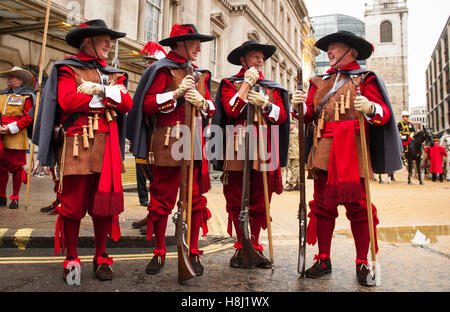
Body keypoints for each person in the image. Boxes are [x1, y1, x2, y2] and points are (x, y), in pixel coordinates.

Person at [291, 31, 402, 286]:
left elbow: (383, 114)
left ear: (348, 50)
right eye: (327, 49)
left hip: (353, 149)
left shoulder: (366, 80)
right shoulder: (318, 82)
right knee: (322, 206)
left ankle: (362, 262)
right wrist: (298, 106)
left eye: (333, 47)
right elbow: (308, 115)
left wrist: (371, 108)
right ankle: (323, 258)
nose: (328, 52)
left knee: (359, 208)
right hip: (322, 150)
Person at [32, 19, 133, 282]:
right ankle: (72, 258)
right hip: (78, 144)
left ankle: (101, 258)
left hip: (108, 148)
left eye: (109, 40)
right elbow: (68, 100)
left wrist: (100, 90)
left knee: (104, 207)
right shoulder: (67, 68)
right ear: (86, 42)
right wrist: (109, 96)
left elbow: (127, 103)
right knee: (72, 206)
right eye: (103, 40)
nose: (109, 45)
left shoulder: (113, 73)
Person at [127, 24, 215, 276]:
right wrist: (175, 94)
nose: (198, 47)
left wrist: (204, 103)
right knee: (161, 201)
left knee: (195, 201)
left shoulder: (200, 74)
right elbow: (146, 105)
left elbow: (210, 108)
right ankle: (159, 251)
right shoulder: (161, 69)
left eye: (199, 43)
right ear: (178, 44)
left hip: (193, 141)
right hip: (167, 141)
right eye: (193, 43)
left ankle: (194, 251)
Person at [212, 40, 290, 268]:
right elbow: (231, 110)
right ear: (243, 60)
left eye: (261, 57)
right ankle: (241, 246)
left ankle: (255, 245)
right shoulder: (229, 84)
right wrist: (245, 86)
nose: (260, 61)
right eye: (255, 57)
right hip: (237, 145)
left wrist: (266, 104)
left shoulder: (272, 87)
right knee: (236, 198)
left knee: (259, 200)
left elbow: (282, 117)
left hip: (265, 147)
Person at [131, 41, 168, 234]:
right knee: (150, 178)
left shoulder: (163, 76)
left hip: (163, 138)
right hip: (149, 134)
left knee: (159, 182)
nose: (147, 64)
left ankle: (156, 219)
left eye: (151, 61)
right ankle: (151, 214)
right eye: (147, 61)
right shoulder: (150, 77)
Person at [0, 66, 35, 209]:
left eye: (12, 77)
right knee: (0, 168)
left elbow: (28, 117)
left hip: (17, 135)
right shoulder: (1, 95)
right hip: (0, 133)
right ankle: (1, 196)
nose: (9, 79)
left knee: (16, 168)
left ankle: (15, 197)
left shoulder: (27, 97)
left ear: (20, 81)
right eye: (9, 76)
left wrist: (11, 128)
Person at [284, 119, 299, 191]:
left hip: (296, 153)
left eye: (291, 124)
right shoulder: (288, 133)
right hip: (290, 154)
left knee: (295, 168)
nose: (289, 126)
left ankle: (291, 184)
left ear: (294, 125)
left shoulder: (297, 132)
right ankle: (298, 183)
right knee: (293, 168)